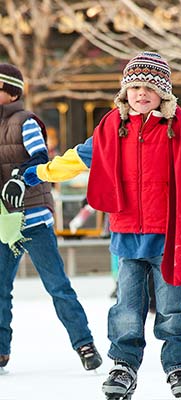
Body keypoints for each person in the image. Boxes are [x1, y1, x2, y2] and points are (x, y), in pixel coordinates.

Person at [20, 52, 181, 399]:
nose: (141, 94)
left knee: (172, 309)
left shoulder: (179, 131)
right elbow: (76, 158)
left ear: (163, 93)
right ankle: (124, 365)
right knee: (126, 309)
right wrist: (42, 172)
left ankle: (178, 366)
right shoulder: (113, 131)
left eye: (149, 87)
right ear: (124, 92)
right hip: (128, 233)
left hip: (168, 236)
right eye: (134, 87)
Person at [0, 63, 102, 372]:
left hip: (31, 217)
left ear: (9, 91)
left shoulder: (24, 121)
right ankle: (1, 351)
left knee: (57, 284)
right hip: (5, 222)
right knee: (0, 289)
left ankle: (84, 344)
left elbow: (40, 156)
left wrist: (21, 177)